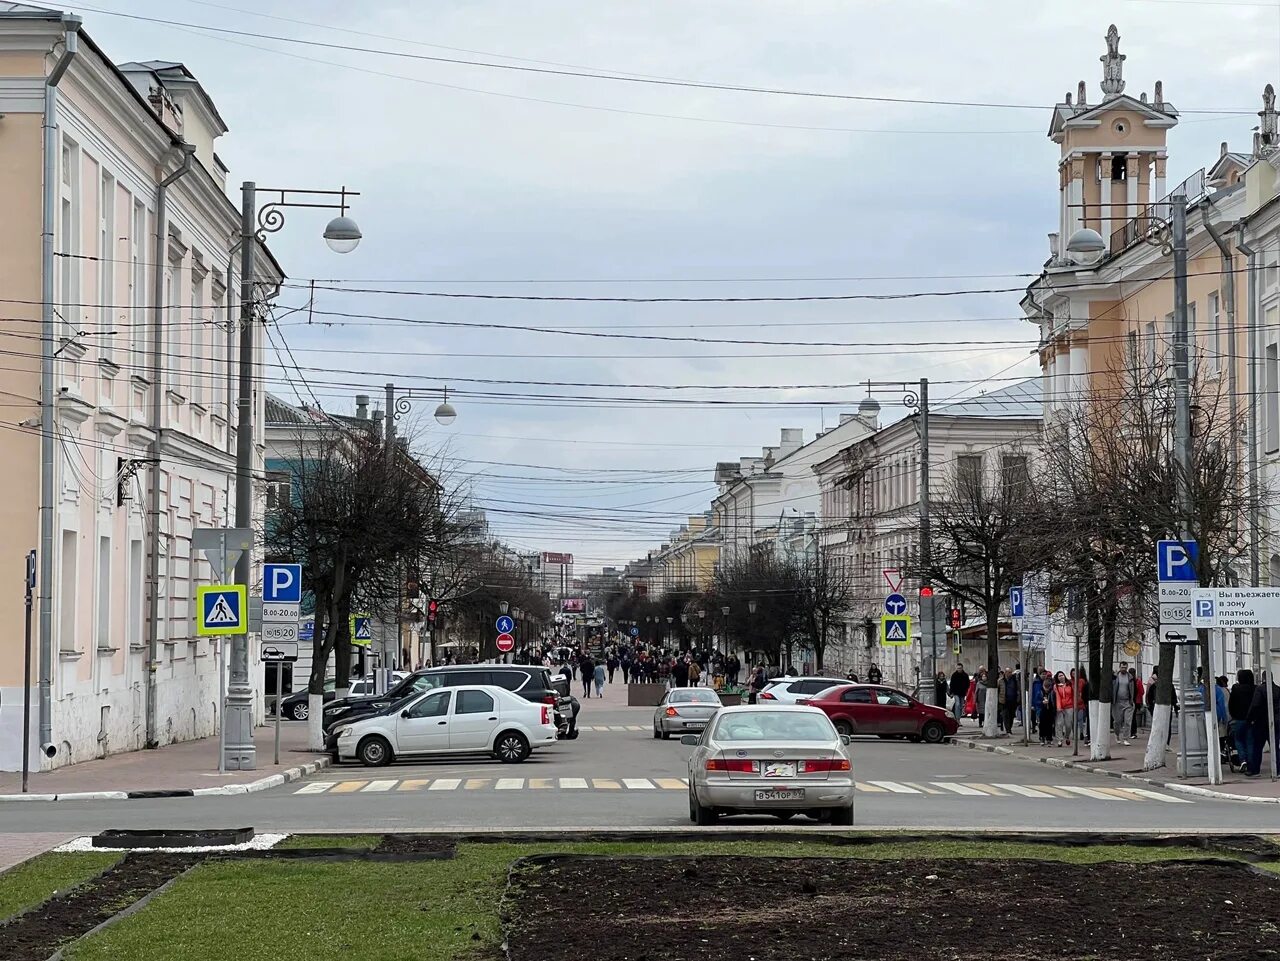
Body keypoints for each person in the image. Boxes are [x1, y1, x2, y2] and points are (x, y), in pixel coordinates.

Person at [1229, 669, 1256, 774]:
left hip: (1239, 719)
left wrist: (1233, 715)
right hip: (1251, 720)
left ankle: (1243, 760)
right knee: (1250, 741)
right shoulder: (1254, 689)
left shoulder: (1236, 688)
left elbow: (1231, 704)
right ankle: (1250, 763)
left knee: (1238, 740)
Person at [1112, 661, 1136, 746]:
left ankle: (1126, 738)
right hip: (1117, 702)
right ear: (1119, 667)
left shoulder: (1130, 677)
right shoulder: (1115, 676)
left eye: (1125, 668)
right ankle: (1117, 735)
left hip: (1127, 702)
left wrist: (1132, 700)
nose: (1124, 669)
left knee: (1127, 721)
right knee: (1117, 721)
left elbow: (1133, 689)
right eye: (1122, 667)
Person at [1054, 671, 1075, 747]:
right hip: (1060, 707)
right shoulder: (1056, 686)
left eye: (1062, 675)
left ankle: (1067, 736)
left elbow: (1073, 695)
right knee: (1059, 724)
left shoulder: (1069, 685)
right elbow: (1057, 697)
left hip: (1069, 706)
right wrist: (1059, 707)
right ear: (1057, 678)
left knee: (1068, 724)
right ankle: (1059, 739)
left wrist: (1074, 704)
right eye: (1059, 676)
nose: (1061, 677)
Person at [1037, 671, 1057, 746]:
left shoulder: (1052, 693)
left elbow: (1054, 701)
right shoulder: (1040, 692)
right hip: (1041, 710)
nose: (1046, 689)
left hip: (1050, 710)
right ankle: (1042, 737)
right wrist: (1042, 702)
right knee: (1042, 724)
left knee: (1050, 724)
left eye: (1048, 688)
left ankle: (1049, 738)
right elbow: (1037, 701)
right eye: (1045, 688)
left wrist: (1054, 708)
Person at [1001, 668, 1019, 734]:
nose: (1010, 674)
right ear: (1005, 673)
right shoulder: (1001, 681)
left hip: (1013, 701)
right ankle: (1008, 729)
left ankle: (1009, 727)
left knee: (1011, 716)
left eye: (1011, 672)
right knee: (1006, 715)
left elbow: (1017, 689)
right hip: (1004, 701)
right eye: (1009, 672)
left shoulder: (1014, 680)